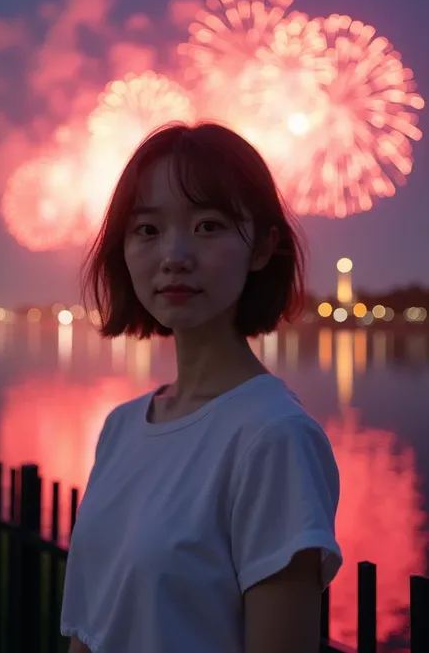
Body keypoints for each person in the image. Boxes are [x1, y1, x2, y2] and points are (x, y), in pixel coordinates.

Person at [60, 122, 343, 653]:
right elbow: (91, 628)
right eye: (147, 230)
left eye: (208, 225)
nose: (174, 255)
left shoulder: (273, 437)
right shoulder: (121, 427)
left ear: (262, 247)